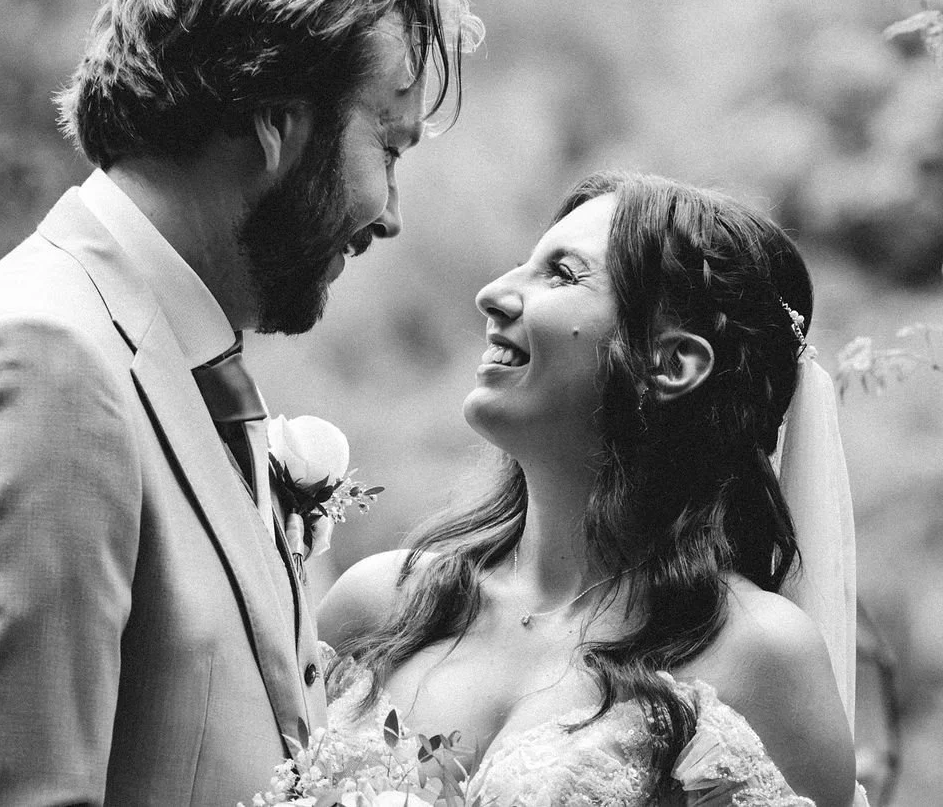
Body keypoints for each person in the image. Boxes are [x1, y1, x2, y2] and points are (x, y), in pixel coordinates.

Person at [0, 0, 482, 804]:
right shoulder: (45, 364)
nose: (389, 214)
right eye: (388, 148)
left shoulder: (179, 365)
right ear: (274, 121)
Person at [319, 171, 868, 805]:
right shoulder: (377, 604)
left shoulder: (758, 655)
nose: (491, 295)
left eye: (561, 274)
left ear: (671, 364)